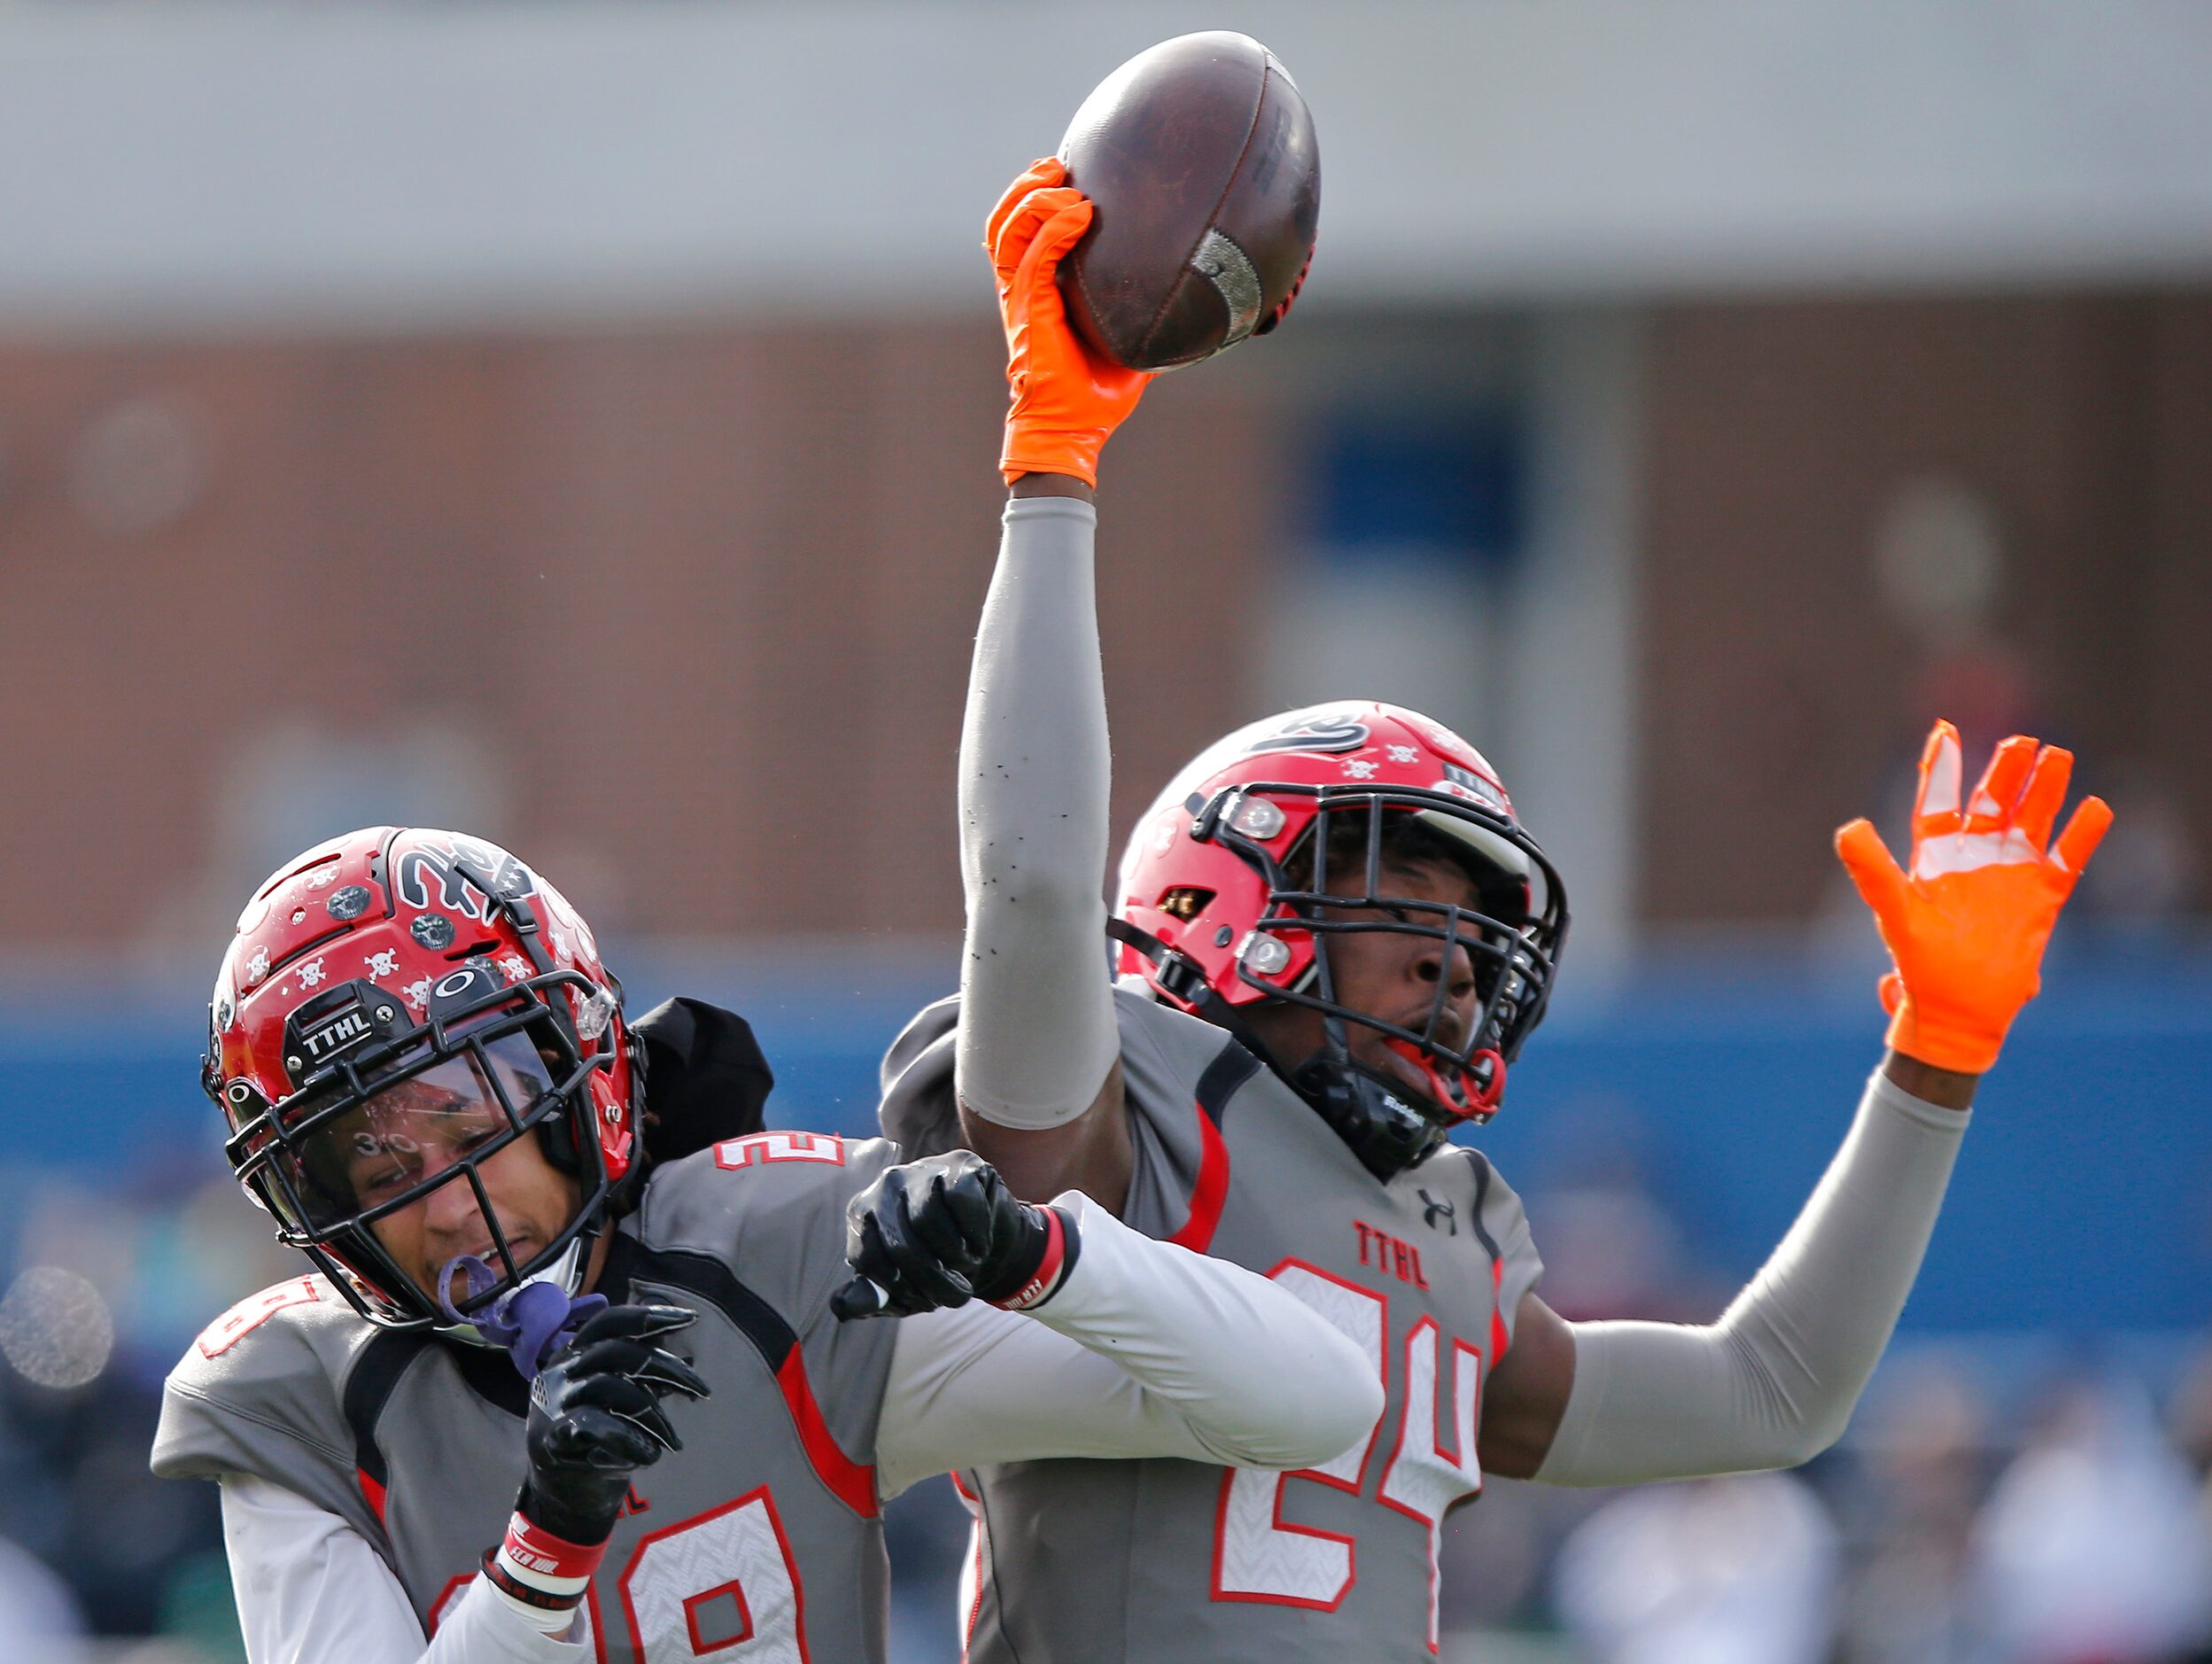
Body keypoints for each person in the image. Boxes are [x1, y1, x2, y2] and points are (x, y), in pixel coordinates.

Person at [876, 159, 2116, 1660]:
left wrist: (1932, 1061)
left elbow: (1767, 1390)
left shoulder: (1440, 1232)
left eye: (1481, 932)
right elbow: (1026, 878)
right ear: (1224, 896)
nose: (1455, 967)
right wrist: (1051, 468)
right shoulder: (1125, 1121)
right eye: (1409, 897)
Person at [150, 826, 1382, 1662]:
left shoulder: (769, 1260)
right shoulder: (301, 1399)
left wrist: (1039, 1254)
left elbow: (1319, 1398)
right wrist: (549, 1539)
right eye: (377, 1166)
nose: (453, 1198)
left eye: (474, 1122)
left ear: (581, 1079)